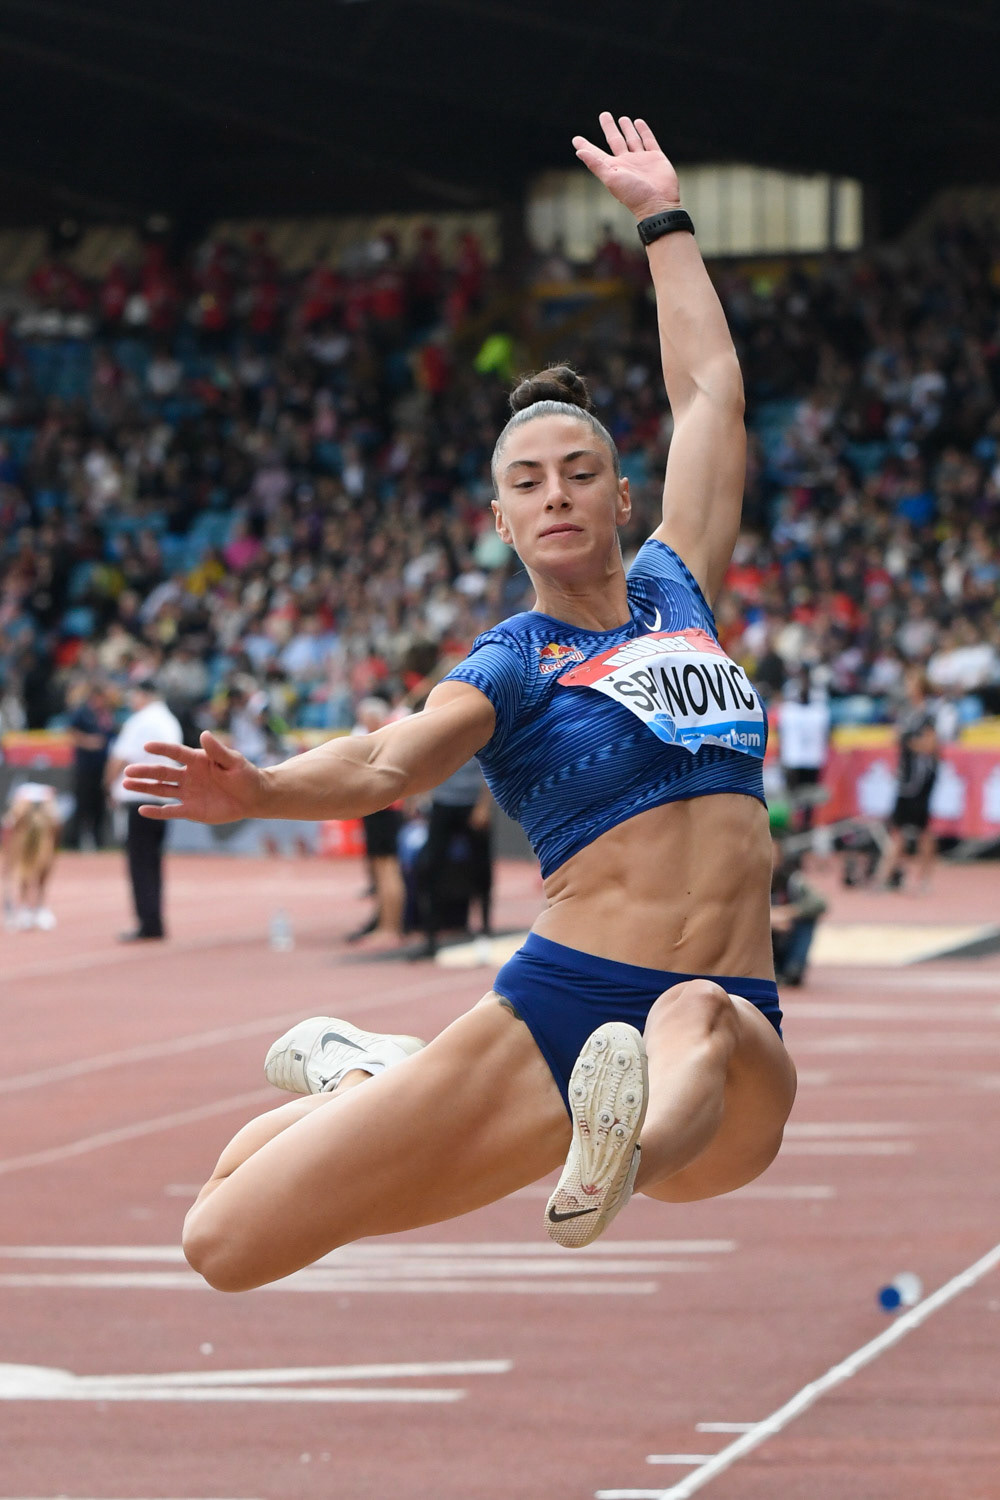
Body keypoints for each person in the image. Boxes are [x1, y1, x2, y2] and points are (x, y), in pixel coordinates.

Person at [124, 114, 797, 1293]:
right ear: (500, 521)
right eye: (526, 483)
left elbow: (708, 397)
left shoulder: (677, 589)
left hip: (725, 1022)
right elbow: (390, 760)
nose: (556, 495)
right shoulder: (512, 663)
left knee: (692, 1013)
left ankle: (611, 1153)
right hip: (565, 1003)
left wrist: (662, 219)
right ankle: (371, 1075)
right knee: (223, 1241)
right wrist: (264, 788)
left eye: (579, 473)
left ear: (621, 498)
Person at [105, 678, 183, 940]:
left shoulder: (140, 721)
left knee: (140, 863)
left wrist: (108, 786)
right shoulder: (170, 721)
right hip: (161, 799)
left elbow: (121, 756)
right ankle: (154, 920)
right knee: (154, 863)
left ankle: (147, 922)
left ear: (144, 695)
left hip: (138, 799)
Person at [411, 757, 494, 959]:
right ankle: (431, 938)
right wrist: (422, 795)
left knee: (481, 870)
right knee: (430, 867)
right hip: (442, 803)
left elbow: (492, 764)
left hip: (472, 802)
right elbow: (429, 758)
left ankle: (485, 931)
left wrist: (484, 805)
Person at [876, 666, 940, 892]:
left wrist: (907, 741)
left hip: (920, 778)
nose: (907, 687)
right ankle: (885, 876)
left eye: (911, 682)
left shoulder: (928, 713)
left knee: (922, 829)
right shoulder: (907, 712)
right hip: (906, 777)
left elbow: (930, 746)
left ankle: (924, 879)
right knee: (900, 827)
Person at [1, 780, 61, 930]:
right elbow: (10, 823)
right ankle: (24, 907)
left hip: (41, 843)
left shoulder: (48, 820)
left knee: (41, 872)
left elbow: (56, 824)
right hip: (24, 843)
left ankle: (38, 908)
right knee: (24, 874)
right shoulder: (20, 822)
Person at [66, 679, 115, 850]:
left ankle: (98, 840)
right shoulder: (82, 712)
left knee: (99, 805)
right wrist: (89, 741)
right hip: (85, 766)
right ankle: (74, 840)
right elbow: (71, 733)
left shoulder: (106, 715)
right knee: (82, 803)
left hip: (102, 766)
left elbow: (110, 736)